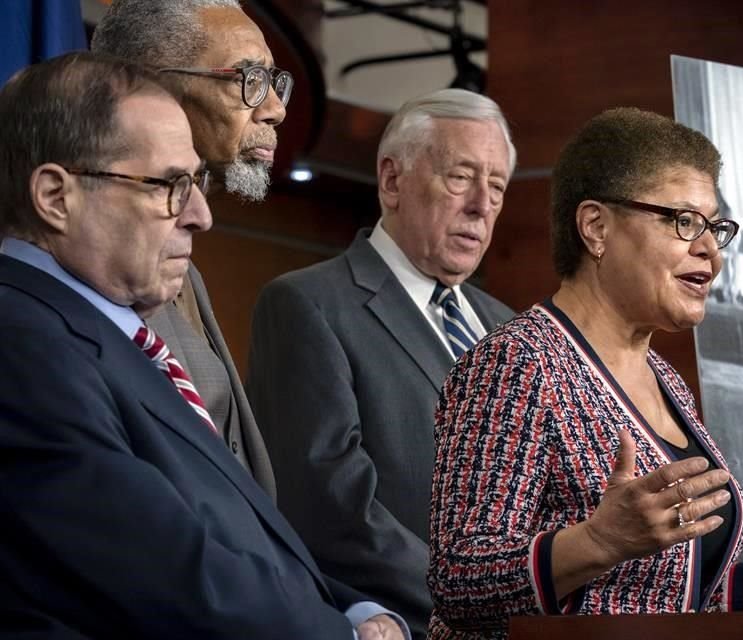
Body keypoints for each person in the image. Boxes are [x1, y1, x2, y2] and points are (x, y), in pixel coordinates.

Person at [427, 107, 743, 639]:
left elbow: (676, 596)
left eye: (715, 228)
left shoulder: (666, 381)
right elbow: (459, 582)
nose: (711, 253)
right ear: (596, 227)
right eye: (684, 221)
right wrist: (597, 541)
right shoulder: (517, 364)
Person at [0, 52, 405, 640]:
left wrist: (356, 611)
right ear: (56, 197)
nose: (200, 215)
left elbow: (237, 535)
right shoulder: (22, 343)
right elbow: (162, 572)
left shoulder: (105, 337)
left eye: (197, 182)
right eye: (168, 184)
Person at [246, 88, 516, 638]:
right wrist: (477, 606)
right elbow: (331, 510)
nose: (481, 207)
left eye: (497, 187)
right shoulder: (308, 304)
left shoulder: (509, 328)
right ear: (392, 180)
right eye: (461, 177)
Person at [91, 0, 288, 497]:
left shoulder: (184, 265)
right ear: (148, 85)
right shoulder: (96, 261)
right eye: (248, 79)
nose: (274, 108)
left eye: (272, 80)